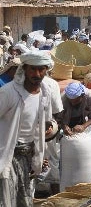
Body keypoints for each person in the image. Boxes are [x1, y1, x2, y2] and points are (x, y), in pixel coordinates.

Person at [0, 51, 63, 206]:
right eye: (33, 69)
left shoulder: (45, 93)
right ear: (25, 69)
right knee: (7, 201)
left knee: (25, 200)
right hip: (8, 155)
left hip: (30, 156)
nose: (37, 73)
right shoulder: (9, 92)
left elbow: (44, 125)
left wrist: (42, 154)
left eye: (41, 69)